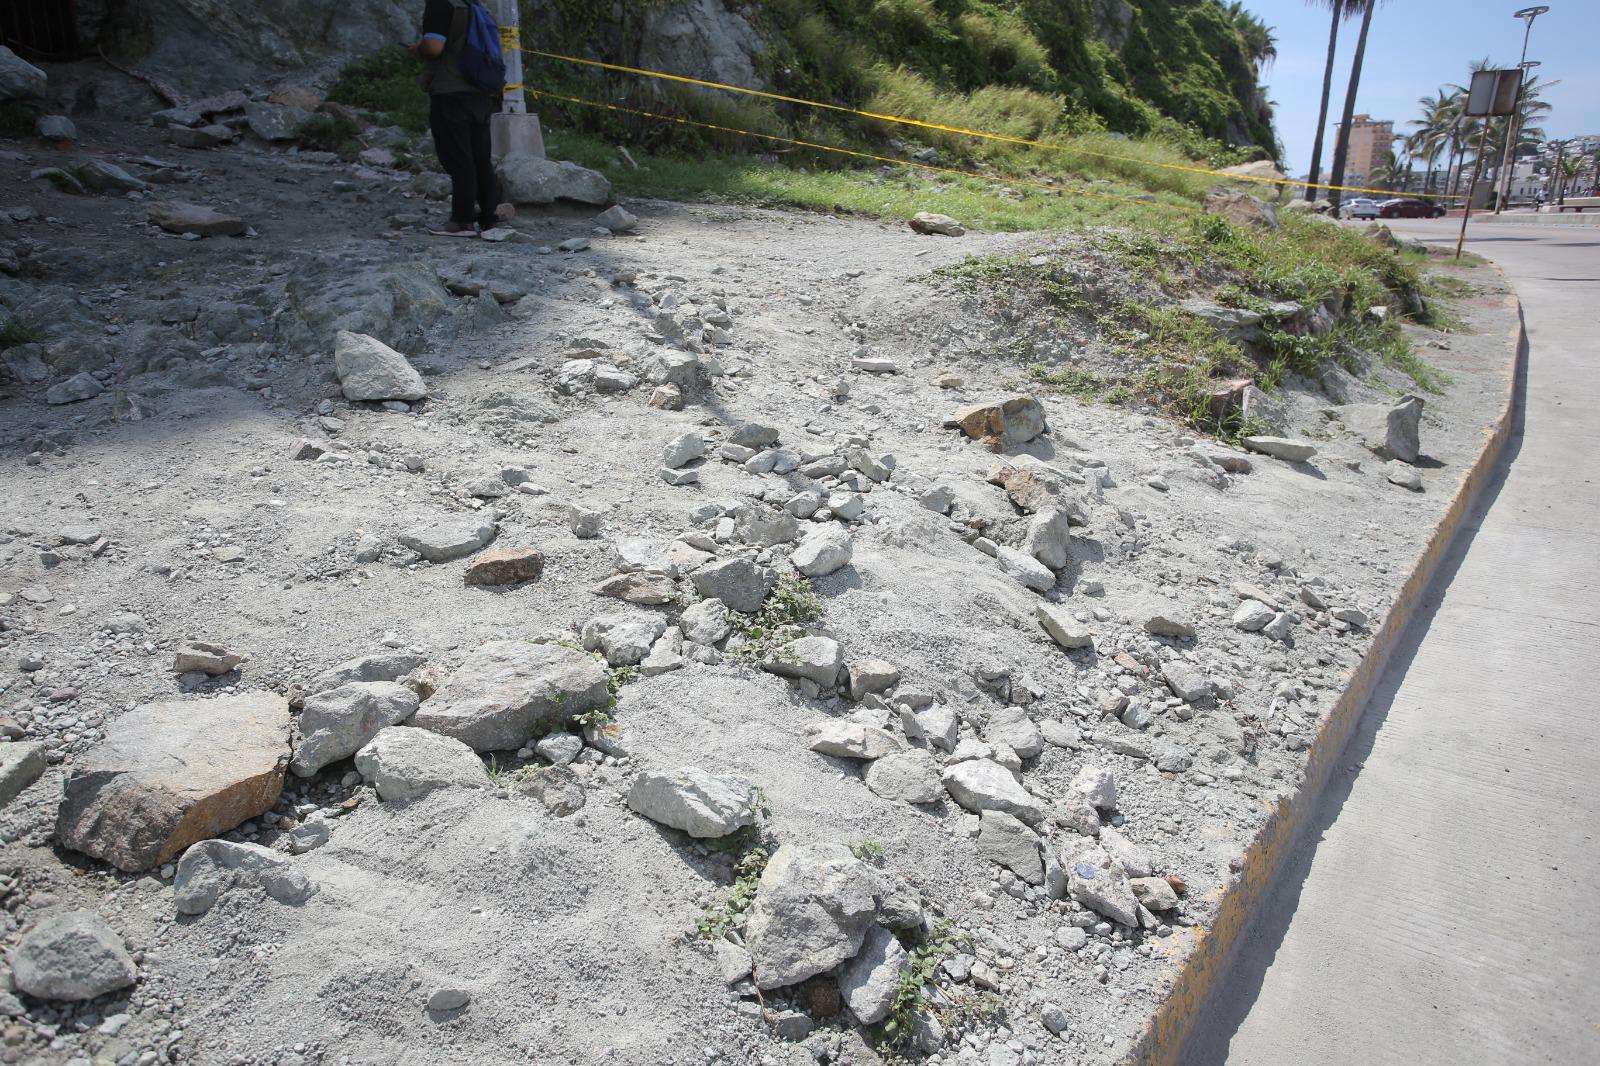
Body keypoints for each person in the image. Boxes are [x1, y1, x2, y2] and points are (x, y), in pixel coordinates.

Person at [410, 0, 510, 236]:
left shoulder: (440, 4)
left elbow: (434, 47)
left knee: (458, 158)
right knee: (481, 158)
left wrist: (418, 48)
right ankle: (489, 218)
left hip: (451, 90)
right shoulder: (473, 4)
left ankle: (462, 220)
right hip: (481, 91)